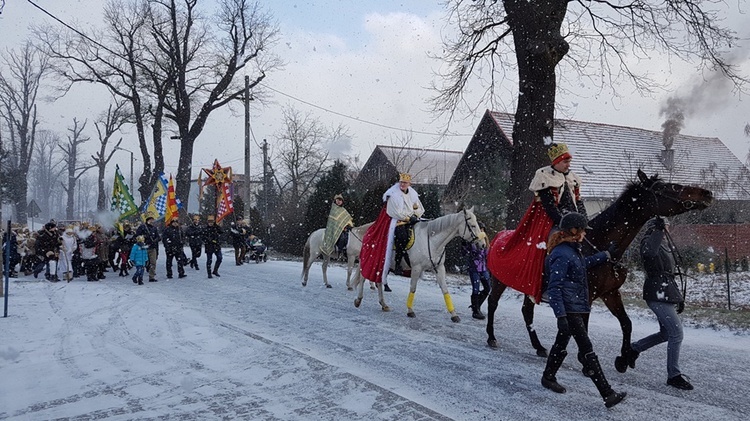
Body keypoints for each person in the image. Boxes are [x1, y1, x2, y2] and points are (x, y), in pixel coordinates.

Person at [541, 212, 625, 408]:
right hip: (569, 309)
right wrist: (561, 315)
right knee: (587, 349)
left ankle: (548, 377)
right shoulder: (561, 253)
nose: (584, 235)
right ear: (573, 231)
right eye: (582, 231)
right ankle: (607, 393)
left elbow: (582, 265)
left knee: (561, 343)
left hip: (575, 306)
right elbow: (554, 287)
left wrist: (606, 255)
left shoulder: (572, 250)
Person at [487, 142, 585, 303]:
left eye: (569, 162)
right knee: (548, 246)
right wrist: (565, 224)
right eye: (565, 162)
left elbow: (578, 201)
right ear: (556, 162)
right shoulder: (544, 177)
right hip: (552, 221)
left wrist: (583, 220)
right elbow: (549, 207)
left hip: (573, 220)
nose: (568, 165)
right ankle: (545, 285)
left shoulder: (572, 178)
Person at [615, 217, 693, 390]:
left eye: (667, 227)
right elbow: (650, 254)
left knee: (666, 334)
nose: (668, 229)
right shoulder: (648, 241)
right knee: (676, 334)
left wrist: (678, 298)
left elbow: (668, 274)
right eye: (665, 226)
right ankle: (673, 376)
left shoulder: (663, 244)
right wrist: (657, 231)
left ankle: (633, 350)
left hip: (665, 292)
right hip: (657, 293)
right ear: (657, 227)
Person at [360, 173, 424, 293]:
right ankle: (398, 263)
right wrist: (408, 218)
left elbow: (419, 208)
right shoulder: (393, 195)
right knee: (402, 236)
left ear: (409, 184)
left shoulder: (413, 194)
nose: (402, 184)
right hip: (397, 221)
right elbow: (394, 212)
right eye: (401, 182)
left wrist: (416, 215)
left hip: (412, 220)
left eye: (405, 183)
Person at [463, 222, 490, 319]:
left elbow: (488, 255)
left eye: (483, 229)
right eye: (480, 229)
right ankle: (475, 311)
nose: (481, 231)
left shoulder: (486, 242)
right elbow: (465, 253)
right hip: (474, 268)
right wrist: (465, 246)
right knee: (476, 289)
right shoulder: (473, 241)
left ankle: (476, 305)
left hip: (484, 269)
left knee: (487, 288)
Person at [321, 194, 354, 260]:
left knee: (348, 236)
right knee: (342, 237)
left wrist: (349, 225)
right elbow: (333, 220)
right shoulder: (333, 209)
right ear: (335, 200)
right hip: (334, 228)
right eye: (337, 200)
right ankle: (340, 251)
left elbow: (347, 219)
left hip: (344, 228)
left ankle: (346, 251)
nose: (339, 201)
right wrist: (341, 226)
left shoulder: (343, 210)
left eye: (340, 200)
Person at [136, 217, 161, 282]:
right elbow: (137, 236)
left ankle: (151, 277)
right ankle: (140, 277)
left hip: (152, 247)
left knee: (153, 262)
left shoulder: (154, 228)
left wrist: (155, 240)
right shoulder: (142, 227)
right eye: (150, 220)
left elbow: (158, 237)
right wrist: (144, 236)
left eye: (153, 220)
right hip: (144, 247)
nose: (152, 221)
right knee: (142, 263)